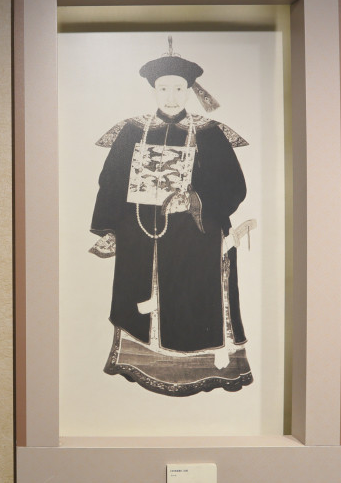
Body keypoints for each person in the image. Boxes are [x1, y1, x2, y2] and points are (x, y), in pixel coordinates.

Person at [90, 42, 254, 397]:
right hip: (140, 231)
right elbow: (111, 182)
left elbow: (234, 187)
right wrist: (110, 228)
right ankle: (142, 359)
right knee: (140, 297)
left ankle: (202, 363)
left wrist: (195, 200)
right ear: (154, 89)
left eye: (178, 89)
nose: (170, 96)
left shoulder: (210, 132)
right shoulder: (131, 131)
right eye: (163, 88)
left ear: (189, 90)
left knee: (193, 300)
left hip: (196, 234)